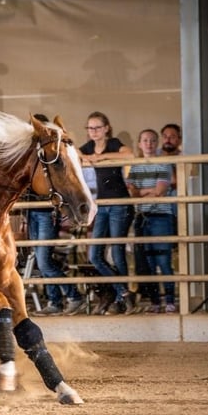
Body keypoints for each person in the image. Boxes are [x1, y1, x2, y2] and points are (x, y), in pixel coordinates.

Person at [25, 114, 85, 316]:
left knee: (44, 261)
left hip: (45, 213)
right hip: (33, 211)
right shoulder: (34, 158)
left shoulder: (48, 156)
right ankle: (55, 301)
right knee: (42, 260)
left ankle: (73, 296)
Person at [79, 111, 135, 315]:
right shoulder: (88, 148)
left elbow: (129, 154)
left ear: (106, 128)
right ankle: (123, 292)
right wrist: (89, 157)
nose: (92, 131)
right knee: (95, 255)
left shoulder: (113, 143)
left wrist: (100, 158)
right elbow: (75, 155)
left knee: (118, 251)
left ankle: (122, 299)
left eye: (96, 127)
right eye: (89, 128)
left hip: (120, 202)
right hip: (102, 204)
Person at [126, 129, 177, 313]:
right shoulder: (135, 165)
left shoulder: (164, 163)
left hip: (161, 216)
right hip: (142, 217)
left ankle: (170, 300)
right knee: (147, 263)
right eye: (145, 140)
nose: (149, 143)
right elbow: (131, 192)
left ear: (157, 143)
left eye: (153, 140)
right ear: (139, 144)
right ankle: (156, 301)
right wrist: (146, 191)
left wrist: (141, 192)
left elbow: (160, 191)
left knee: (163, 261)